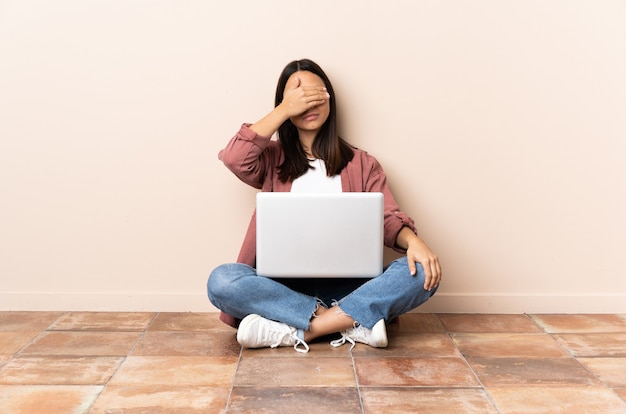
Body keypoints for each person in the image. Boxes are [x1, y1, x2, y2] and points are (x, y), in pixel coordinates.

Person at [207, 59, 442, 353]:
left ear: (330, 100)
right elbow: (235, 157)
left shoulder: (362, 163)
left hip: (352, 286)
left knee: (422, 271)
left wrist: (414, 243)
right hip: (282, 288)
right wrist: (284, 109)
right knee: (222, 280)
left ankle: (297, 329)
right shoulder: (271, 159)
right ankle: (352, 322)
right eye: (298, 97)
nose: (308, 104)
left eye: (316, 95)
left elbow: (386, 219)